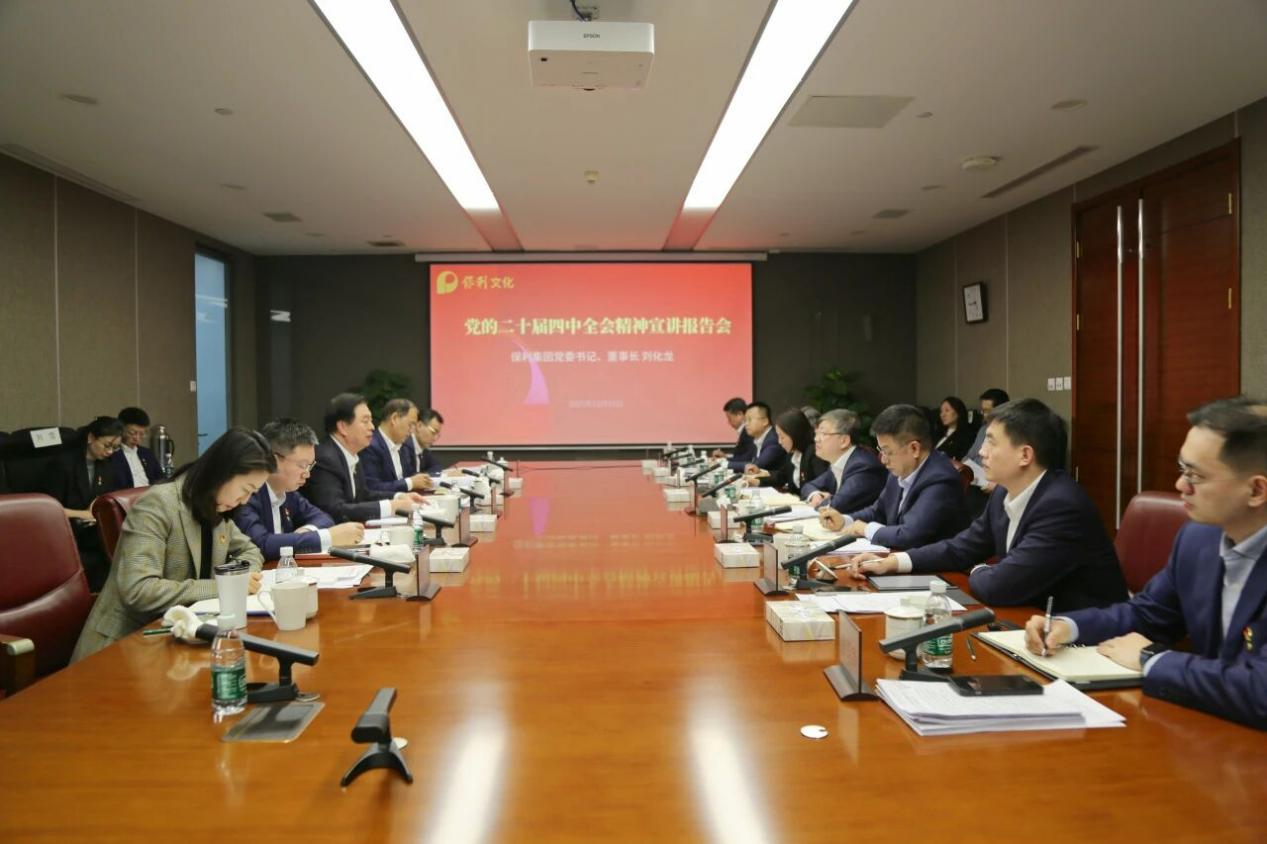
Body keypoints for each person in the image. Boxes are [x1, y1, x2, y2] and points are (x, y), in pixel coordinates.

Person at [1025, 397, 1267, 729]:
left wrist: (1151, 659)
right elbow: (1148, 615)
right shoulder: (1198, 538)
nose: (1180, 486)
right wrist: (1068, 627)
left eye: (1195, 476)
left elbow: (1260, 691)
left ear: (1256, 490)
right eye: (1182, 469)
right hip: (1217, 728)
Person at [845, 398, 1128, 610]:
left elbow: (999, 586)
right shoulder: (1004, 493)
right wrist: (894, 562)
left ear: (1025, 455)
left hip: (1082, 641)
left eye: (991, 442)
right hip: (1028, 620)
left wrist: (977, 569)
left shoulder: (1061, 506)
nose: (981, 452)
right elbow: (962, 547)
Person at [70, 428, 272, 661]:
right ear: (221, 472)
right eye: (245, 490)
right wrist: (227, 586)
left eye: (252, 493)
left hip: (182, 638)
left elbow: (250, 550)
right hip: (126, 645)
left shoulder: (216, 506)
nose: (245, 501)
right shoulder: (158, 504)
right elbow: (139, 590)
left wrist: (242, 578)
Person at [818, 404, 966, 549]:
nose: (883, 460)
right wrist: (845, 520)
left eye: (887, 451)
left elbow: (910, 534)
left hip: (932, 563)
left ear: (914, 448)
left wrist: (866, 529)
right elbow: (878, 511)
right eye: (880, 450)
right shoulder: (899, 470)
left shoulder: (941, 479)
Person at [234, 418, 365, 560]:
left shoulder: (289, 493)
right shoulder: (248, 494)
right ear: (274, 461)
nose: (307, 474)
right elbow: (260, 544)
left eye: (310, 466)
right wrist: (327, 537)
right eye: (302, 465)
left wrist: (306, 531)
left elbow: (323, 518)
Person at [302, 392, 425, 523]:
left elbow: (364, 494)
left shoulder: (351, 453)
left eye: (371, 421)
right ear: (343, 427)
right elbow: (335, 510)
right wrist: (391, 506)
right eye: (365, 421)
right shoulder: (325, 459)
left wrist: (398, 496)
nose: (372, 427)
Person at [41, 416, 123, 591]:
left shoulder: (106, 465)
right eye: (107, 445)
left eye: (115, 448)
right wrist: (84, 514)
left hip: (93, 526)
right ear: (91, 438)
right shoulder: (62, 465)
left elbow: (105, 497)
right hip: (67, 529)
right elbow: (46, 509)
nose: (110, 452)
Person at [801, 409, 887, 513]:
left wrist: (824, 502)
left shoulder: (863, 467)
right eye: (816, 433)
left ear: (844, 441)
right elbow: (809, 486)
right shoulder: (838, 463)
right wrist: (816, 495)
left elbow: (836, 506)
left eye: (823, 433)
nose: (816, 439)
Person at [744, 407, 828, 496]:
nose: (779, 442)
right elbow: (782, 476)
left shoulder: (813, 453)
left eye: (782, 437)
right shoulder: (793, 453)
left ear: (795, 434)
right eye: (778, 436)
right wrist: (757, 481)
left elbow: (819, 486)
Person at [359, 398, 433, 496]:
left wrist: (423, 480)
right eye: (410, 424)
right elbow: (373, 488)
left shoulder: (404, 447)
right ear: (394, 418)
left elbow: (410, 476)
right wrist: (409, 483)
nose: (412, 431)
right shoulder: (370, 446)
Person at [111, 406, 162, 488]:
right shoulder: (111, 454)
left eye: (142, 434)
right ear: (121, 429)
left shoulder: (147, 454)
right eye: (132, 433)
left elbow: (161, 480)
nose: (137, 438)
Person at [727, 401, 785, 472]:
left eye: (749, 420)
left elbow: (756, 465)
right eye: (745, 420)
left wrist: (726, 465)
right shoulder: (757, 439)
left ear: (765, 421)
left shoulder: (773, 441)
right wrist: (724, 461)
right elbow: (746, 459)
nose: (746, 424)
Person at [711, 397, 753, 463]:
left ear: (739, 414)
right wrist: (725, 457)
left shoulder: (749, 432)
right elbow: (740, 456)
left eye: (729, 418)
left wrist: (724, 460)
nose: (728, 422)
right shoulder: (744, 431)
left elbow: (747, 459)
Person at [933, 395, 975, 461]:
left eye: (947, 410)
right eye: (941, 411)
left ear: (958, 412)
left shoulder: (965, 436)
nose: (942, 415)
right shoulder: (938, 433)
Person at [404, 408, 445, 474]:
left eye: (437, 435)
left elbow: (437, 466)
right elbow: (409, 476)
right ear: (419, 426)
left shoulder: (424, 449)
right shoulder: (404, 447)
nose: (435, 438)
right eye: (433, 432)